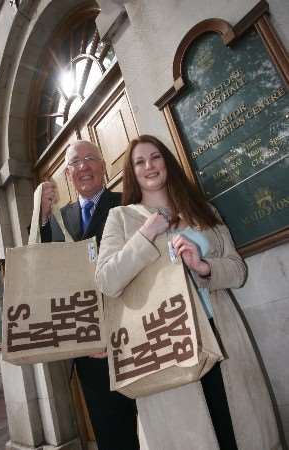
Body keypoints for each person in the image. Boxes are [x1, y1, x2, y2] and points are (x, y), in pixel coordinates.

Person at [95, 135, 284, 450]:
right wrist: (146, 234)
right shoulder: (122, 218)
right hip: (165, 341)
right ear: (132, 172)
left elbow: (238, 271)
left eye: (155, 157)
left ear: (167, 162)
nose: (149, 166)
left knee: (236, 429)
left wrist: (203, 267)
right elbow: (106, 280)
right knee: (194, 434)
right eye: (139, 162)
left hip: (220, 332)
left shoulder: (203, 210)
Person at [39, 140, 139, 450]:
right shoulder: (58, 218)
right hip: (88, 342)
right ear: (68, 174)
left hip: (132, 331)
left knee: (149, 423)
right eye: (75, 163)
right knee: (109, 431)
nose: (83, 166)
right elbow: (47, 268)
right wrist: (42, 218)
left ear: (103, 165)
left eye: (90, 158)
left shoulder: (126, 201)